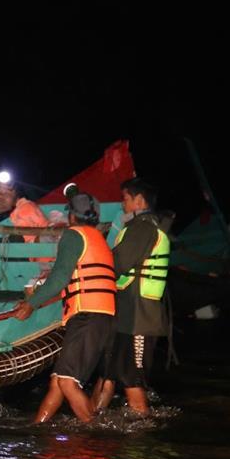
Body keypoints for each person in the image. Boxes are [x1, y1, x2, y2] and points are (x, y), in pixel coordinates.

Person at [11, 190, 116, 423]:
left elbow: (59, 279)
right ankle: (37, 427)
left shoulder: (73, 235)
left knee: (67, 382)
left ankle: (98, 437)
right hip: (101, 316)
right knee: (58, 381)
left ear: (71, 216)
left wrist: (31, 303)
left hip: (88, 316)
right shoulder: (97, 237)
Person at [90, 178, 171, 416]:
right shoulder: (141, 227)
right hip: (124, 315)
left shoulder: (143, 228)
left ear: (139, 200)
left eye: (124, 198)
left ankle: (140, 443)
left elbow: (116, 263)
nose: (121, 203)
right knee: (107, 372)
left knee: (131, 377)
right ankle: (89, 420)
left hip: (139, 318)